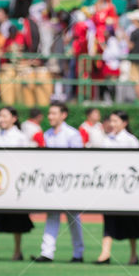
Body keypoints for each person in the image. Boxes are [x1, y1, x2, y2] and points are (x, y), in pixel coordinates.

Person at [0, 107, 35, 261]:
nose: (1, 119)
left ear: (14, 118)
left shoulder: (20, 137)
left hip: (15, 183)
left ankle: (17, 251)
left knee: (17, 218)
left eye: (5, 116)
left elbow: (25, 159)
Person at [34, 103, 85, 263]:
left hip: (70, 183)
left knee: (73, 218)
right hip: (53, 183)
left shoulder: (72, 134)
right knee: (52, 215)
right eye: (49, 113)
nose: (50, 117)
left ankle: (78, 252)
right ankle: (47, 252)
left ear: (63, 115)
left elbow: (80, 159)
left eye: (54, 113)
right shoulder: (48, 134)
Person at [96, 111, 139, 265]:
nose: (112, 124)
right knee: (109, 219)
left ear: (124, 123)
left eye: (116, 121)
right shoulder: (106, 140)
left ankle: (133, 254)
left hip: (127, 188)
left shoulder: (131, 140)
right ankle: (105, 253)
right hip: (111, 187)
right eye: (111, 121)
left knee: (131, 221)